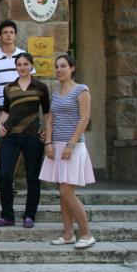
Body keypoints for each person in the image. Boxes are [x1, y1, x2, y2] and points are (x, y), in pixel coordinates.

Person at [40, 55, 96, 249]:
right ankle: (68, 234)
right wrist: (48, 143)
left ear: (72, 68)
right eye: (57, 67)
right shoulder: (55, 93)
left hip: (73, 146)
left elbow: (84, 119)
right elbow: (50, 120)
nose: (59, 69)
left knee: (67, 192)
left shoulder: (82, 90)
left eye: (63, 66)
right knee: (62, 193)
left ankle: (87, 234)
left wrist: (71, 145)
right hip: (56, 146)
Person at [0, 52, 49, 228]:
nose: (22, 67)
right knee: (4, 174)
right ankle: (7, 216)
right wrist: (0, 125)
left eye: (25, 64)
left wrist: (48, 132)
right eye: (19, 64)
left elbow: (47, 112)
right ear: (15, 67)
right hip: (11, 136)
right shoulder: (9, 88)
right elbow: (6, 110)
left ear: (31, 66)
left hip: (33, 137)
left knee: (32, 176)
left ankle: (30, 215)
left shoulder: (41, 87)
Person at [0, 20, 34, 185]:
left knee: (17, 142)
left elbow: (30, 80)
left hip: (19, 106)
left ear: (15, 35)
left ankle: (9, 180)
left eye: (11, 32)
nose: (8, 35)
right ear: (0, 36)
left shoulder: (23, 56)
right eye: (5, 32)